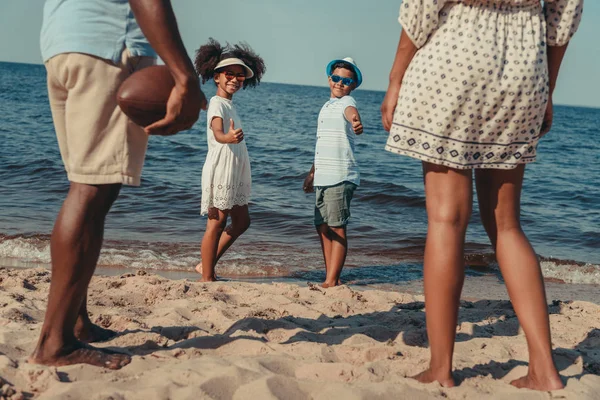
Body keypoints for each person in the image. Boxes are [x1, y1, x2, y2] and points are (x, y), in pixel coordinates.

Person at [380, 0, 583, 390]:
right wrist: (547, 87)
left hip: (454, 55)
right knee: (506, 224)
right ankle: (545, 369)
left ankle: (441, 368)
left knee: (445, 219)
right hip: (524, 68)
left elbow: (423, 8)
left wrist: (395, 77)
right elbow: (564, 16)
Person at [30, 0, 206, 369]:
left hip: (63, 44)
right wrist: (184, 77)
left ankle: (76, 321)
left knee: (87, 185)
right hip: (110, 48)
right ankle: (55, 343)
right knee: (93, 190)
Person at [193, 39, 265, 282]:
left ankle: (206, 265)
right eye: (229, 74)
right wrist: (228, 137)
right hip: (222, 167)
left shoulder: (230, 105)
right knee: (217, 222)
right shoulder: (216, 103)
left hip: (235, 167)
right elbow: (217, 132)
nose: (234, 79)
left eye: (239, 76)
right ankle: (207, 277)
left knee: (242, 221)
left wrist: (233, 141)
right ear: (216, 77)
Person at [303, 57, 364, 288]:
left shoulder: (348, 101)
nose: (340, 83)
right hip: (322, 175)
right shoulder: (326, 106)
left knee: (337, 226)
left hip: (340, 175)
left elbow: (352, 114)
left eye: (346, 81)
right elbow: (321, 144)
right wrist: (312, 173)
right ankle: (332, 276)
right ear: (330, 79)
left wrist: (357, 122)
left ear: (353, 85)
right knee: (322, 226)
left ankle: (331, 280)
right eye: (336, 78)